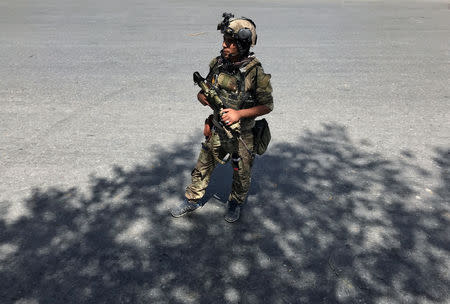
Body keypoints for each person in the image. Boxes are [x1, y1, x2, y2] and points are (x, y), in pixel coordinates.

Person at [170, 13, 274, 222]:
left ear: (242, 45)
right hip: (218, 129)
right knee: (202, 166)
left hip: (243, 135)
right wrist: (202, 97)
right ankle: (192, 199)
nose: (224, 46)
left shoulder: (255, 73)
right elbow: (205, 90)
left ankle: (235, 203)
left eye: (230, 43)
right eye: (224, 41)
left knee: (241, 174)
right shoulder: (218, 64)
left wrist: (239, 114)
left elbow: (267, 106)